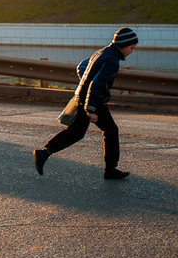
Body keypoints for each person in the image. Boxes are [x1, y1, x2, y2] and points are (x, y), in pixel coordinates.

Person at [33, 27, 139, 180]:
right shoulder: (112, 60)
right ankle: (110, 169)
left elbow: (82, 67)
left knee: (76, 132)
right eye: (131, 48)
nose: (131, 52)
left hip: (85, 97)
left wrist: (85, 84)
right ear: (123, 44)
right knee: (110, 130)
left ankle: (44, 153)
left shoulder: (102, 52)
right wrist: (91, 109)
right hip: (93, 101)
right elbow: (96, 84)